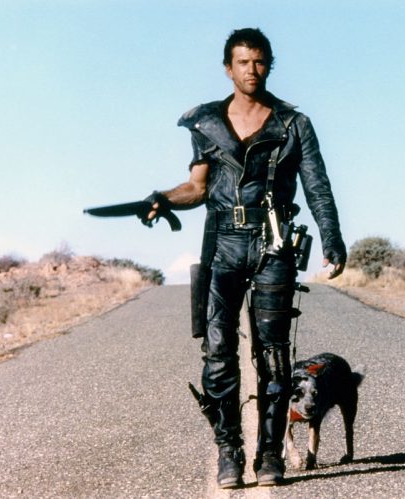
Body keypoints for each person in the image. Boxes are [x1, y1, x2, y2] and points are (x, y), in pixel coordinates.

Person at [146, 28, 346, 488]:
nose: (250, 70)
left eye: (258, 62)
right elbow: (195, 188)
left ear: (269, 65)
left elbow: (317, 187)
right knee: (218, 354)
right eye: (242, 62)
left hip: (274, 245)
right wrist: (161, 199)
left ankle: (271, 455)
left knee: (274, 358)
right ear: (227, 67)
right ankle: (229, 452)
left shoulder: (293, 124)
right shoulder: (206, 122)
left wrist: (332, 240)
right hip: (222, 246)